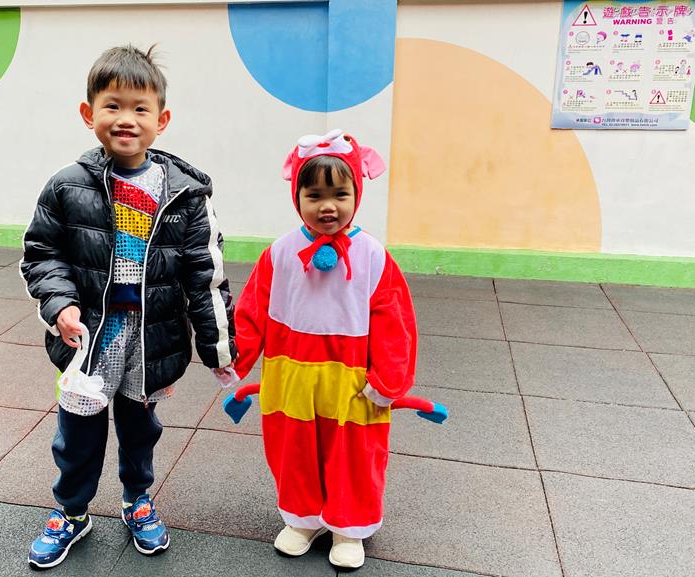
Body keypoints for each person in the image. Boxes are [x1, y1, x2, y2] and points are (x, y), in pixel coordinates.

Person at [20, 44, 236, 569]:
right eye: (112, 105)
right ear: (88, 112)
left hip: (151, 336)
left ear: (161, 120)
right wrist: (60, 304)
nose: (126, 119)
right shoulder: (67, 186)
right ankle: (72, 511)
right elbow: (42, 253)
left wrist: (219, 349)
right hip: (91, 338)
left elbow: (204, 275)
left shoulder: (184, 194)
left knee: (140, 428)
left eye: (140, 108)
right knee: (78, 430)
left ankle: (137, 498)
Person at [232, 130, 418, 570]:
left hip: (351, 382)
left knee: (353, 453)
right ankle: (303, 519)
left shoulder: (372, 255)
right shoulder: (281, 253)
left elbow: (394, 321)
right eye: (314, 195)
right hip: (291, 377)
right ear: (297, 197)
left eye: (340, 194)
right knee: (293, 450)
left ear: (357, 194)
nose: (327, 206)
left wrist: (388, 380)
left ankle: (348, 527)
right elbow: (252, 310)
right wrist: (234, 358)